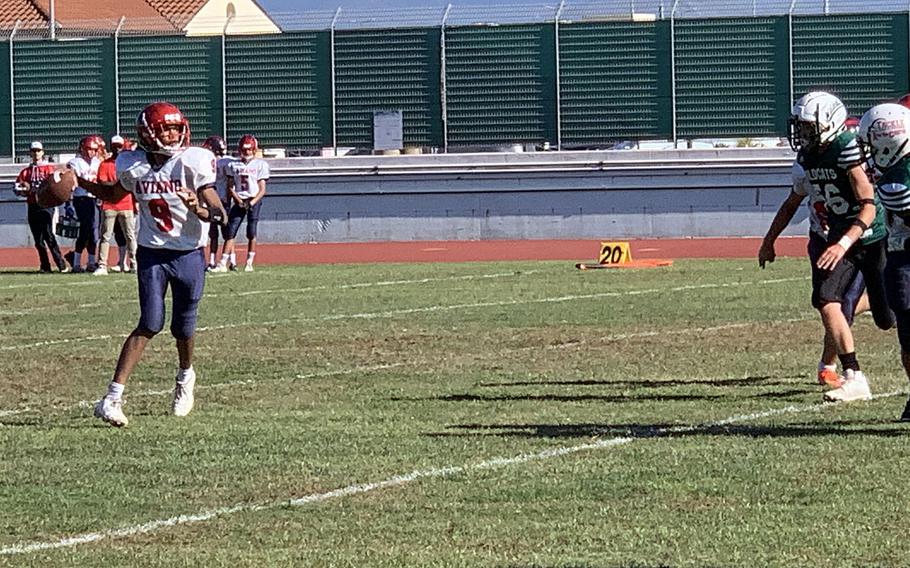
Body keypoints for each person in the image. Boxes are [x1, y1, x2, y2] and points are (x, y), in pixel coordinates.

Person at [73, 101, 227, 427]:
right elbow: (112, 192)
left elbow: (218, 212)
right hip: (152, 252)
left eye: (176, 127)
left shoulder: (194, 161)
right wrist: (78, 183)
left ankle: (185, 378)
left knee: (183, 327)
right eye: (166, 128)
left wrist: (198, 207)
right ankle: (111, 398)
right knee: (150, 322)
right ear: (148, 133)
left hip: (187, 253)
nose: (173, 134)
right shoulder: (132, 164)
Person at [786, 91, 895, 403]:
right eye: (800, 127)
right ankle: (854, 374)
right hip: (837, 234)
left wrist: (844, 242)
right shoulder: (808, 156)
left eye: (809, 127)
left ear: (829, 123)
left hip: (869, 235)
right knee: (827, 299)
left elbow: (869, 207)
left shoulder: (847, 148)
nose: (803, 134)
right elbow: (795, 199)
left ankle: (883, 303)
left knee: (886, 318)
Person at [759, 160, 868, 388]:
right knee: (832, 303)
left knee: (857, 308)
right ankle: (832, 367)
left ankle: (877, 303)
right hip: (823, 239)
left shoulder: (853, 161)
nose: (805, 135)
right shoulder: (804, 164)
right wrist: (769, 240)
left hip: (857, 240)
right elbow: (791, 203)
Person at [857, 103, 910, 420]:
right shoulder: (892, 172)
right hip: (899, 253)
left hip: (903, 254)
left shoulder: (898, 178)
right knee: (906, 332)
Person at [214, 134, 269, 272]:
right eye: (244, 150)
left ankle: (249, 262)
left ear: (254, 149)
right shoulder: (233, 165)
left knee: (251, 231)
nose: (246, 153)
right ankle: (223, 263)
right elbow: (230, 187)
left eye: (249, 150)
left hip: (253, 199)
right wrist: (238, 200)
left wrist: (252, 202)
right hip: (240, 200)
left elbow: (262, 190)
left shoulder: (260, 165)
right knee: (230, 231)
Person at [14, 141, 66, 273]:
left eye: (38, 151)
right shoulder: (26, 172)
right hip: (33, 205)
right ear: (30, 153)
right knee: (38, 239)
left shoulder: (48, 169)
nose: (36, 153)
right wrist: (22, 189)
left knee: (49, 234)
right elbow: (17, 187)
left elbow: (55, 185)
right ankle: (45, 265)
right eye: (33, 151)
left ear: (43, 152)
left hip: (46, 205)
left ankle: (61, 264)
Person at [94, 135, 137, 275]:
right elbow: (103, 183)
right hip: (110, 205)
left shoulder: (128, 164)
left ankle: (134, 263)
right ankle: (102, 265)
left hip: (126, 204)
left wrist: (116, 185)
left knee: (130, 236)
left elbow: (131, 183)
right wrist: (119, 185)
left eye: (119, 146)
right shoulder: (105, 164)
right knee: (105, 236)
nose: (117, 149)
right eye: (115, 146)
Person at [65, 135, 103, 272]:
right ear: (82, 149)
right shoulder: (75, 162)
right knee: (86, 230)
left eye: (93, 149)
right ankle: (76, 262)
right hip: (81, 198)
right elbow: (72, 178)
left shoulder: (98, 162)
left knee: (94, 232)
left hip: (95, 198)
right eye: (87, 149)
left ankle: (91, 262)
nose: (90, 152)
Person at [201, 135, 233, 271]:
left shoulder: (225, 162)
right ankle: (217, 261)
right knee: (217, 233)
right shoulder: (217, 161)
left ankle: (226, 261)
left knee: (226, 233)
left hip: (218, 200)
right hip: (216, 199)